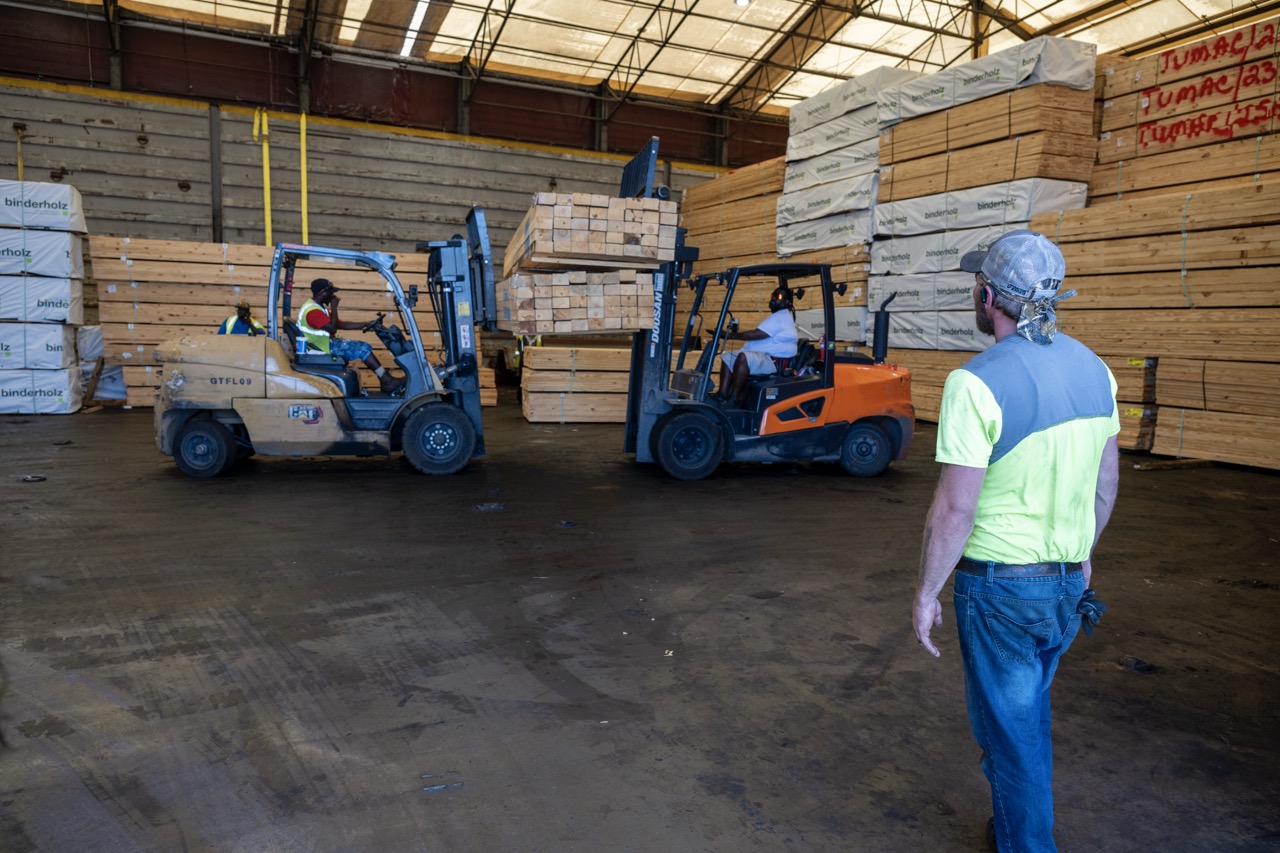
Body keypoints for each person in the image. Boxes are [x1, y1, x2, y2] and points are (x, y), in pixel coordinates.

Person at [911, 230, 1120, 852]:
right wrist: (1081, 555)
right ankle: (1013, 827)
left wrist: (927, 592)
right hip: (1065, 586)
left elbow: (955, 507)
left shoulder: (976, 382)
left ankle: (1028, 845)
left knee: (1011, 737)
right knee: (1025, 722)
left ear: (987, 297)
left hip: (1001, 590)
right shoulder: (1096, 369)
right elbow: (1105, 485)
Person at [297, 278, 405, 393]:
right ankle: (387, 380)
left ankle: (386, 379)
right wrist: (334, 306)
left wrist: (367, 324)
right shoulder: (313, 312)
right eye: (330, 292)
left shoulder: (318, 308)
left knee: (361, 346)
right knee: (363, 348)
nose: (333, 295)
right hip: (322, 349)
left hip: (325, 345)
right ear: (322, 293)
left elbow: (340, 324)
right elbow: (333, 328)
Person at [716, 285, 798, 405]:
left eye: (778, 296)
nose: (773, 298)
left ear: (786, 302)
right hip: (764, 356)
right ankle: (722, 394)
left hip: (772, 361)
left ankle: (734, 397)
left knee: (743, 357)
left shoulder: (781, 317)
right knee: (728, 356)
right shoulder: (777, 317)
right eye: (773, 295)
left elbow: (755, 335)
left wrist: (731, 336)